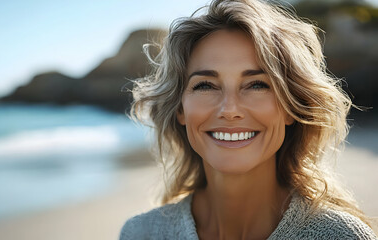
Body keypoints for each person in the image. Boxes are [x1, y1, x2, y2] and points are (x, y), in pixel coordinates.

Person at [120, 0, 377, 239]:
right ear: (180, 109)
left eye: (256, 85)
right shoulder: (140, 233)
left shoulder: (342, 236)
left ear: (290, 106)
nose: (229, 109)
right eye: (206, 85)